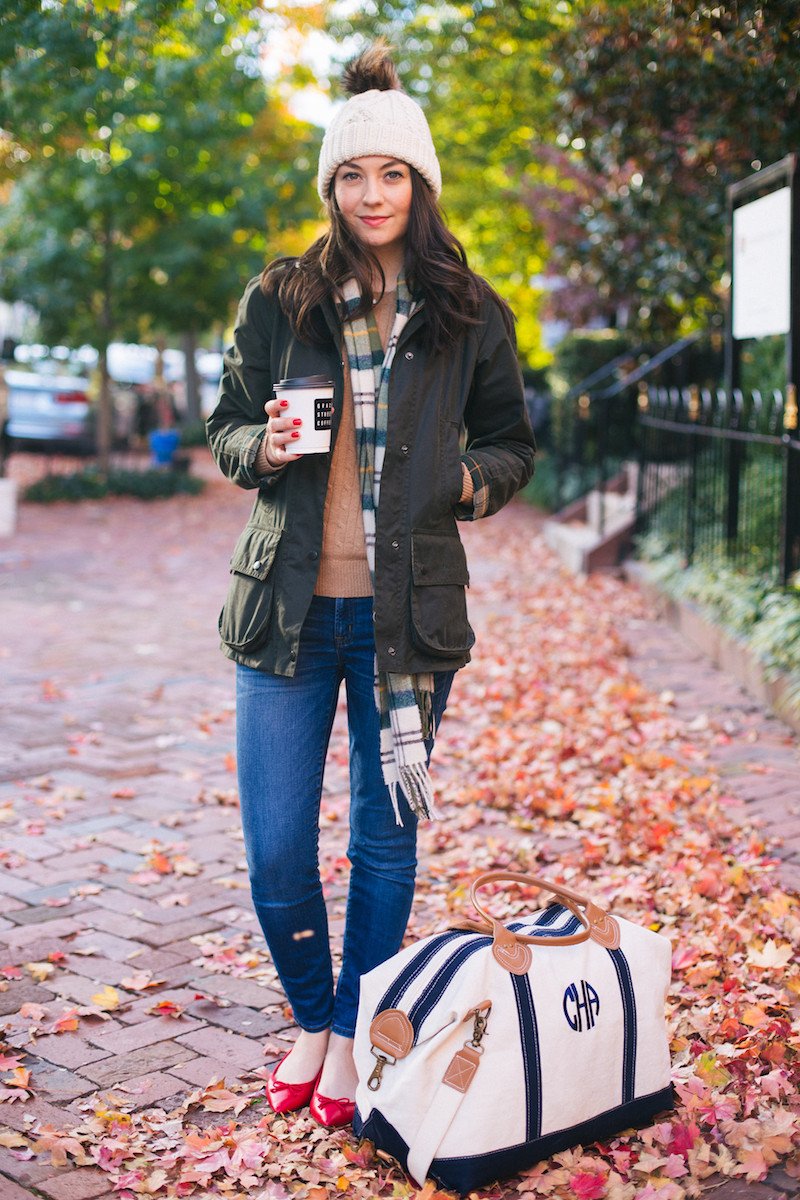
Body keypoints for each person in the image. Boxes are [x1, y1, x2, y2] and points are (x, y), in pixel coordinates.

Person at [206, 42, 535, 1129]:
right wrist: (263, 447)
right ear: (331, 189)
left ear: (419, 183)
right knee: (274, 848)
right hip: (287, 612)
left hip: (406, 617)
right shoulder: (277, 300)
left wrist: (461, 481)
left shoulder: (467, 311)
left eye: (390, 174)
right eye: (352, 176)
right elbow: (225, 427)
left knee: (382, 842)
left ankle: (348, 1034)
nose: (371, 194)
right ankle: (311, 1012)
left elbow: (509, 446)